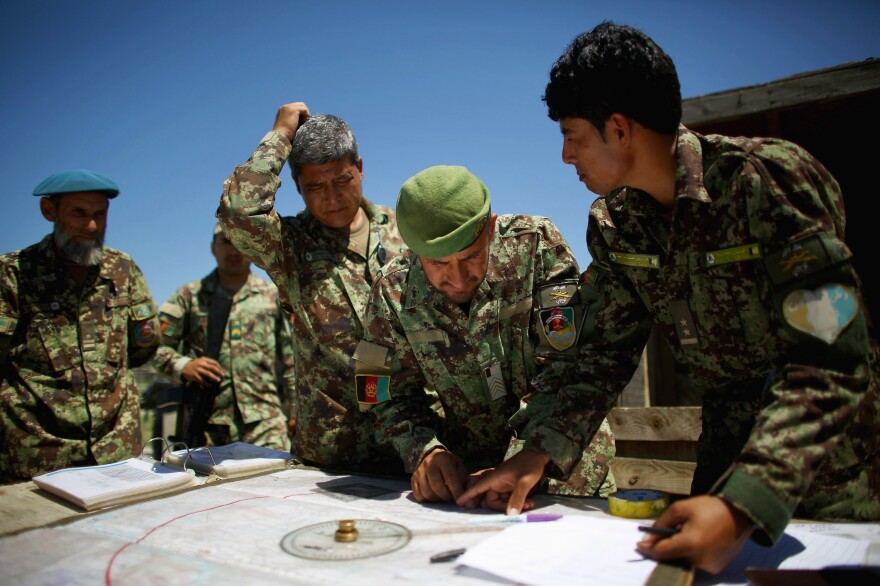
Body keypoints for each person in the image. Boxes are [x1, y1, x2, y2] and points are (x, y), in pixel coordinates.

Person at [457, 21, 880, 574]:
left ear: (618, 128)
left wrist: (745, 502)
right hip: (719, 476)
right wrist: (535, 454)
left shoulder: (763, 181)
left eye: (572, 135)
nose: (565, 156)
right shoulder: (617, 223)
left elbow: (829, 356)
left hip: (832, 480)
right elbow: (600, 356)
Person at [355, 165, 617, 503]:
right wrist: (423, 451)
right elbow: (377, 393)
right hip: (469, 487)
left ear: (490, 227)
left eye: (471, 256)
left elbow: (568, 367)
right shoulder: (392, 291)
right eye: (438, 265)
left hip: (563, 472)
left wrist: (521, 458)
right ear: (413, 251)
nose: (460, 279)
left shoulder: (537, 248)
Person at [216, 102, 406, 473]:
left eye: (342, 181)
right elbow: (238, 212)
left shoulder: (406, 231)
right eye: (315, 186)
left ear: (361, 169)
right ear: (298, 187)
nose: (331, 198)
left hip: (420, 446)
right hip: (334, 456)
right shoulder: (290, 247)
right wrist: (280, 135)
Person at [0, 169, 160, 483]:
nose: (91, 226)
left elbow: (143, 348)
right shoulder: (14, 273)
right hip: (37, 456)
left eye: (100, 215)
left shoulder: (122, 270)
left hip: (115, 452)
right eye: (79, 213)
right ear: (49, 210)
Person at [152, 222, 296, 451]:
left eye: (241, 243)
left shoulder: (273, 296)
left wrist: (295, 410)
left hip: (265, 424)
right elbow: (153, 349)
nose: (233, 251)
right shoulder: (189, 297)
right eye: (226, 242)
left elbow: (291, 360)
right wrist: (183, 366)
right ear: (213, 247)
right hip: (208, 425)